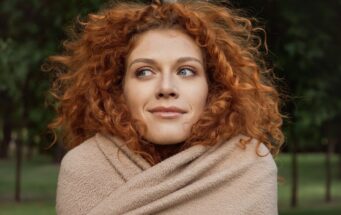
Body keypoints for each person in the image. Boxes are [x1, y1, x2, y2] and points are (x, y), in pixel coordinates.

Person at [47, 0, 284, 214]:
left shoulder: (249, 166)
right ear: (117, 87)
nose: (166, 87)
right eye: (145, 72)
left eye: (186, 71)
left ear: (213, 86)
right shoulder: (84, 168)